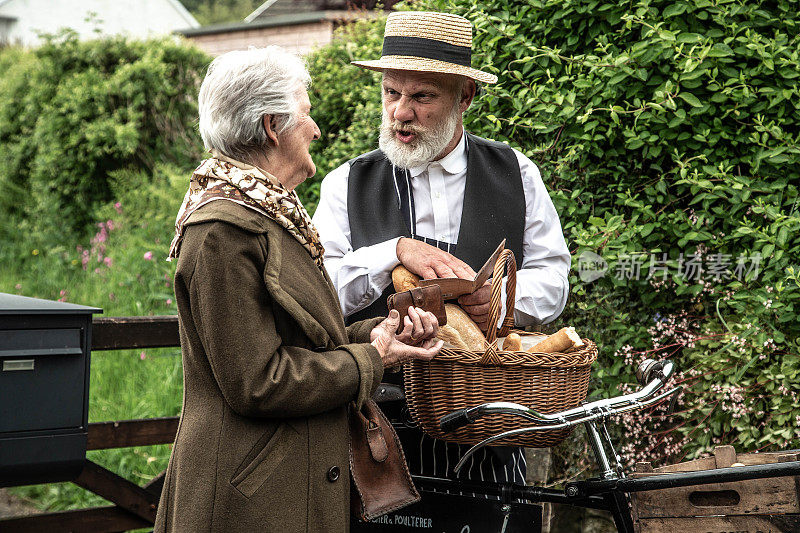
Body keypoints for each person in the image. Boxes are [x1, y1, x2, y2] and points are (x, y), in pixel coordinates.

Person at [154, 46, 442, 533]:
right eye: (306, 116)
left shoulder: (271, 215)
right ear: (272, 126)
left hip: (279, 489)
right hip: (246, 502)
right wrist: (374, 359)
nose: (316, 130)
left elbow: (305, 339)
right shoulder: (221, 232)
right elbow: (258, 382)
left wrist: (384, 330)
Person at [312, 12, 571, 488]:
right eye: (391, 93)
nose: (400, 112)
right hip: (373, 431)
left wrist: (502, 298)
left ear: (464, 97)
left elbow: (554, 278)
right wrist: (392, 252)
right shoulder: (345, 183)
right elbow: (319, 294)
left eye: (422, 96)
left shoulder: (518, 174)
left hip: (487, 431)